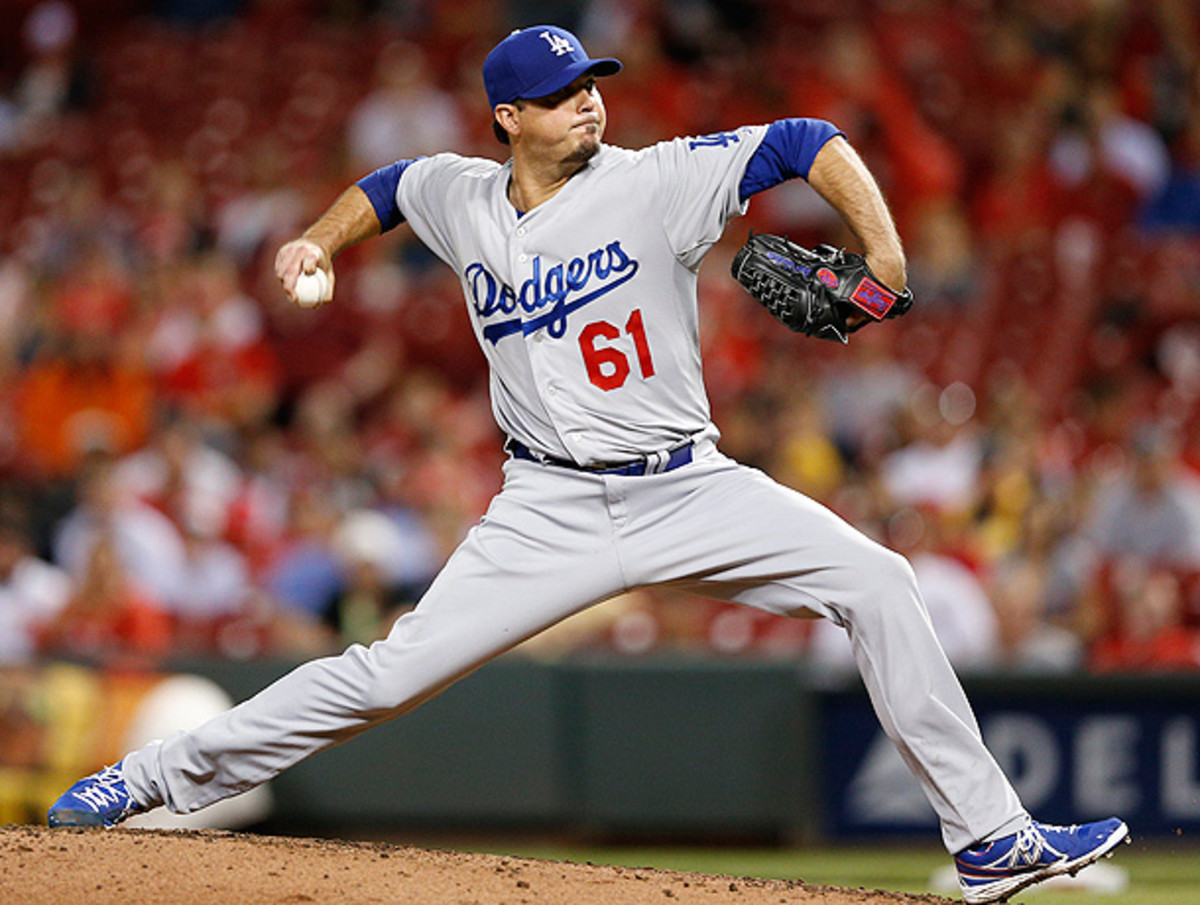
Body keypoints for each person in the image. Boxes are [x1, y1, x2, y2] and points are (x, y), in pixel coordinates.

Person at [48, 25, 1127, 904]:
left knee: (880, 582)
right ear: (510, 117)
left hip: (689, 484)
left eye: (593, 86)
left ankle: (991, 837)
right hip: (546, 505)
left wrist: (884, 257)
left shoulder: (658, 180)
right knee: (383, 675)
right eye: (565, 96)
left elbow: (806, 137)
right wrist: (318, 242)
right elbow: (385, 184)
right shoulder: (462, 195)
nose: (591, 104)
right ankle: (143, 777)